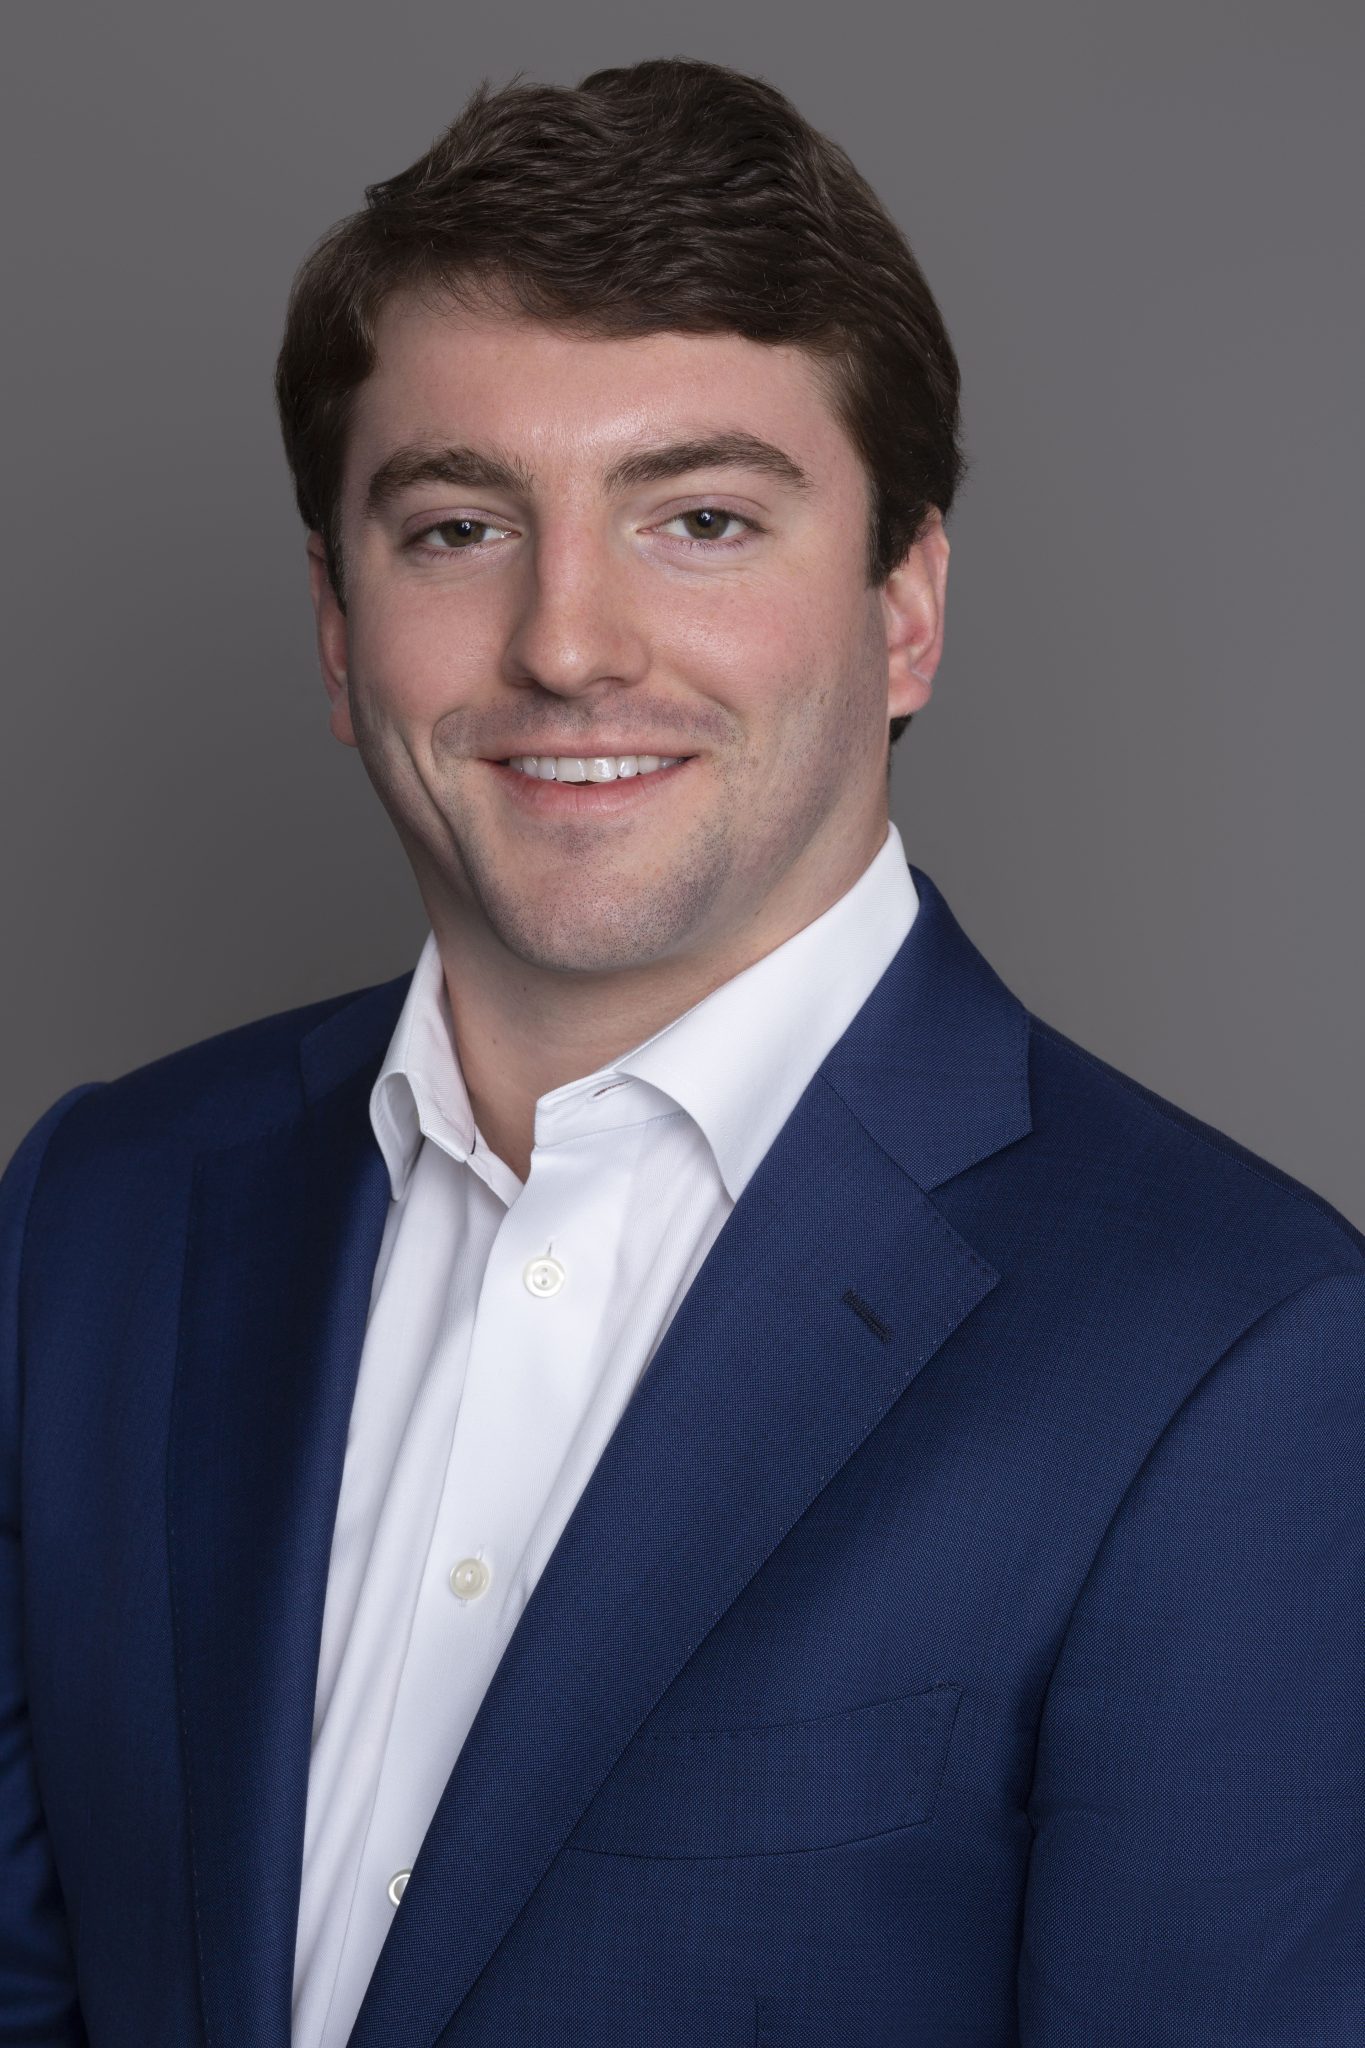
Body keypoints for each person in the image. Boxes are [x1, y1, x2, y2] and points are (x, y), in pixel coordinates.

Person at [2, 54, 1361, 2048]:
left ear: (903, 612)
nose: (567, 640)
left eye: (700, 518)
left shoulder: (1235, 1357)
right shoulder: (94, 1222)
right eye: (458, 526)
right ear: (331, 624)